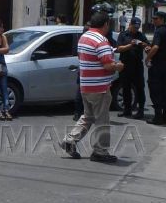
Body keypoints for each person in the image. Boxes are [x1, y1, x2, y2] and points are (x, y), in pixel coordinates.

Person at [59, 10, 124, 163]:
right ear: (105, 24)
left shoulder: (84, 37)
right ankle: (100, 151)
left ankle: (69, 140)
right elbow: (107, 64)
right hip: (99, 87)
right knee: (102, 120)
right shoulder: (101, 40)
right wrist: (118, 66)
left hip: (86, 84)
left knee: (88, 116)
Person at [116, 17, 149, 119]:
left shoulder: (140, 35)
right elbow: (119, 48)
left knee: (140, 88)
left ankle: (141, 110)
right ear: (130, 25)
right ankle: (127, 110)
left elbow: (147, 46)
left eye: (137, 27)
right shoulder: (123, 35)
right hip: (125, 65)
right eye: (134, 27)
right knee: (126, 88)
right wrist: (131, 45)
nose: (136, 29)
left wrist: (143, 45)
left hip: (137, 66)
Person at [144, 11, 166, 125]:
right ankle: (165, 116)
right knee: (165, 90)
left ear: (161, 19)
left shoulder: (159, 31)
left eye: (156, 19)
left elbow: (156, 47)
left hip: (157, 65)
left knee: (155, 90)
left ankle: (158, 117)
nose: (153, 21)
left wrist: (147, 58)